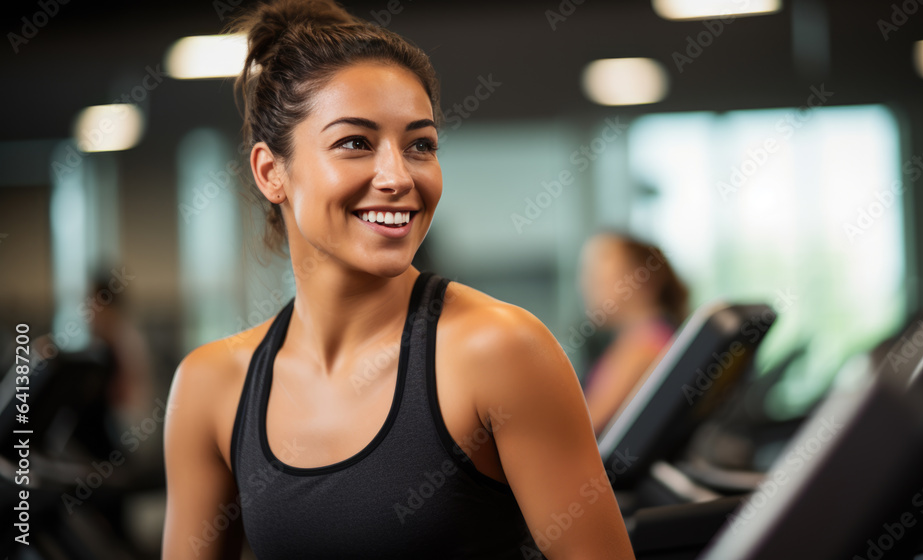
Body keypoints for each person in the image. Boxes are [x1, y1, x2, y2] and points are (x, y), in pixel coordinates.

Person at [161, 1, 635, 558]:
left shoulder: (501, 350)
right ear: (272, 172)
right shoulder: (210, 385)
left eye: (420, 145)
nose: (398, 175)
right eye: (355, 143)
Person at [578, 233, 689, 436]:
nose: (585, 287)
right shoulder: (641, 338)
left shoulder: (645, 347)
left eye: (598, 279)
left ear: (642, 280)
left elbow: (586, 425)